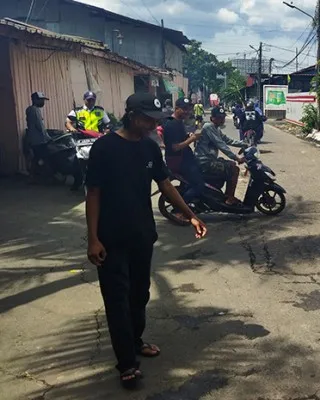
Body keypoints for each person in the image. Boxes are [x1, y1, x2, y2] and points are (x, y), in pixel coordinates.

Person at [85, 93, 207, 389]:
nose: (154, 124)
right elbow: (93, 194)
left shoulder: (150, 148)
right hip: (110, 239)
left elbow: (165, 185)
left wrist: (190, 215)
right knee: (116, 300)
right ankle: (127, 363)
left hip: (142, 236)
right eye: (148, 119)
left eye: (156, 119)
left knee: (138, 295)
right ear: (131, 116)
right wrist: (93, 239)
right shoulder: (104, 148)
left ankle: (136, 341)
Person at [26, 91, 83, 191]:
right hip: (39, 140)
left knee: (36, 158)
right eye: (41, 100)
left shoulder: (30, 110)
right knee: (47, 157)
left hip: (34, 139)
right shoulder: (34, 110)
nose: (43, 102)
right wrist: (48, 138)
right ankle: (50, 178)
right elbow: (40, 126)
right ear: (35, 100)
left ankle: (33, 177)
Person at [195, 106, 246, 206]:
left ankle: (224, 195)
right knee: (234, 169)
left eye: (222, 117)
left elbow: (227, 140)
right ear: (212, 118)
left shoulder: (216, 128)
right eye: (219, 117)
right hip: (204, 161)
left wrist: (244, 144)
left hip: (209, 160)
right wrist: (236, 158)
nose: (221, 120)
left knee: (231, 165)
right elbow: (221, 145)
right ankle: (229, 198)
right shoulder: (209, 127)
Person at [161, 97, 203, 211]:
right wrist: (192, 139)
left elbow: (180, 139)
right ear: (176, 108)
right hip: (178, 161)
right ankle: (181, 209)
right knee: (199, 185)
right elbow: (175, 147)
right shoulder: (171, 124)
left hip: (185, 159)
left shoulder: (178, 122)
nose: (187, 111)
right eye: (184, 109)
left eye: (188, 109)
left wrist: (188, 135)